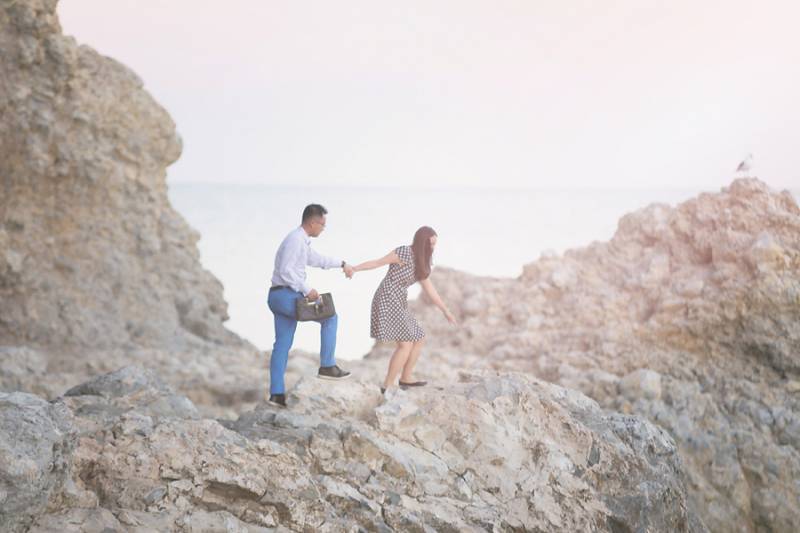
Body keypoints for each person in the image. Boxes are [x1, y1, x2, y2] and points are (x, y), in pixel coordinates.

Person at [267, 204, 355, 407]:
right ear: (313, 222)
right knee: (330, 317)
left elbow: (317, 259)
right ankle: (327, 366)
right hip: (287, 296)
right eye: (322, 225)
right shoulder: (296, 240)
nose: (323, 229)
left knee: (281, 345)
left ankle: (277, 394)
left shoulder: (300, 241)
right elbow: (287, 271)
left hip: (278, 296)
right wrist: (307, 289)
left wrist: (342, 263)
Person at [351, 226, 458, 394]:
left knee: (419, 337)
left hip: (399, 300)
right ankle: (387, 385)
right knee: (405, 343)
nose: (432, 248)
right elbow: (378, 262)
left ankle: (406, 378)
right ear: (421, 242)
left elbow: (430, 290)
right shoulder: (404, 252)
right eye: (430, 244)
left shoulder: (423, 263)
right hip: (387, 296)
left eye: (434, 244)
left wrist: (445, 311)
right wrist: (355, 268)